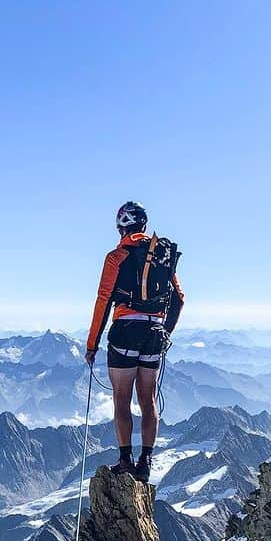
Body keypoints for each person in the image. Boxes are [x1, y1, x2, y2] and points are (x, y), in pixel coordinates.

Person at [84, 200, 185, 483]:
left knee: (121, 399)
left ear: (121, 228)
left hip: (124, 332)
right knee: (148, 400)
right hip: (153, 334)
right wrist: (165, 332)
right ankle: (146, 460)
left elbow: (103, 301)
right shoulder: (160, 256)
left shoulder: (117, 257)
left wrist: (92, 344)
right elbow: (179, 298)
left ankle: (125, 459)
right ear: (143, 225)